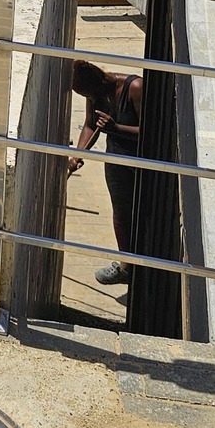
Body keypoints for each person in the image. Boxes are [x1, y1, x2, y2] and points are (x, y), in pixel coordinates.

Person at [69, 59, 144, 286]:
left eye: (91, 95)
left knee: (145, 213)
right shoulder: (95, 94)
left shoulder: (135, 88)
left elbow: (151, 130)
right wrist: (77, 155)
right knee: (121, 212)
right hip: (116, 159)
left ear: (101, 81)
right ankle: (126, 267)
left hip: (142, 162)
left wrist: (116, 128)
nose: (91, 99)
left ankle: (149, 267)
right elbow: (90, 125)